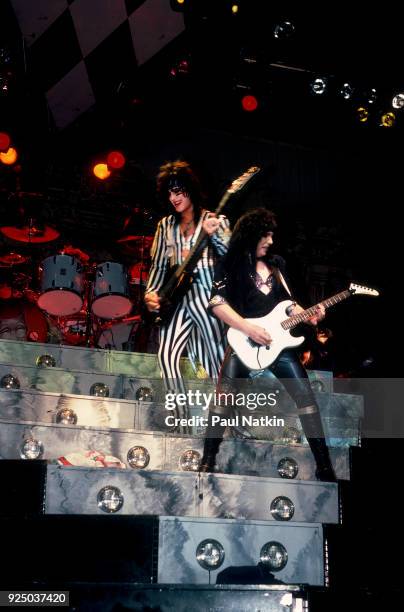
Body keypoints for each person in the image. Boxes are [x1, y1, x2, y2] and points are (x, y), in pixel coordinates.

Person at [200, 208, 336, 481]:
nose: (271, 241)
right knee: (222, 401)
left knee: (307, 400)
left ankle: (324, 467)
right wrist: (248, 327)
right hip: (243, 342)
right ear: (251, 235)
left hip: (278, 345)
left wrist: (310, 315)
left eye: (272, 235)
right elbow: (216, 303)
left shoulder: (277, 265)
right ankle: (208, 459)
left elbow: (287, 305)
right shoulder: (230, 264)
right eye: (266, 235)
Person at [144, 160, 230, 402]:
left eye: (178, 191)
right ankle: (179, 421)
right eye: (169, 192)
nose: (174, 197)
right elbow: (159, 266)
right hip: (177, 300)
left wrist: (215, 236)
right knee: (166, 356)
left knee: (216, 360)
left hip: (208, 297)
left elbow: (233, 258)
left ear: (190, 189)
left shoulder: (216, 221)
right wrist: (151, 293)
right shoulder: (165, 226)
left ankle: (228, 421)